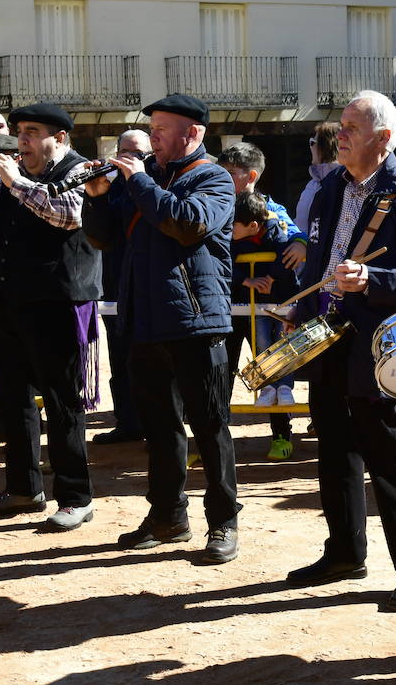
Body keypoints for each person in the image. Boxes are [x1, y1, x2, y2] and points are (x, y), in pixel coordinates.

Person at [284, 90, 396, 612]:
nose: (340, 134)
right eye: (339, 125)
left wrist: (372, 279)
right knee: (332, 448)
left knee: (385, 454)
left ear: (382, 139)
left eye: (351, 127)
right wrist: (300, 308)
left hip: (377, 347)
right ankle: (344, 551)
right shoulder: (332, 184)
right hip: (325, 337)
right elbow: (319, 255)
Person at [82, 94, 241, 564]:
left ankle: (223, 522)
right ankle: (169, 515)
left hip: (196, 322)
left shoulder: (213, 178)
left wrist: (140, 181)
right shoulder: (146, 178)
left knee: (210, 426)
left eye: (161, 130)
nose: (151, 138)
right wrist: (97, 199)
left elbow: (186, 224)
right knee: (160, 427)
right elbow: (103, 238)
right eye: (150, 129)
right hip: (145, 320)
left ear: (191, 133)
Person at [0, 105, 102, 530]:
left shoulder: (80, 170)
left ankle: (76, 496)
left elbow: (69, 215)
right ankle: (23, 488)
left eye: (33, 132)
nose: (23, 141)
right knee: (10, 401)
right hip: (8, 303)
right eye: (20, 132)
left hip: (57, 303)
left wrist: (14, 182)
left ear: (61, 138)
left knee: (62, 403)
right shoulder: (9, 176)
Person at [229, 189, 299, 460]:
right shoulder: (230, 226)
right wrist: (245, 281)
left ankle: (281, 433)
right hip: (238, 306)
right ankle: (210, 441)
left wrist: (270, 276)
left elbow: (290, 252)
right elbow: (221, 259)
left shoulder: (275, 225)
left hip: (276, 305)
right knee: (225, 371)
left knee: (277, 356)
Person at [92, 129, 150, 445]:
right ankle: (127, 422)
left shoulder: (154, 185)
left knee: (152, 360)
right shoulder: (110, 186)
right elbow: (100, 233)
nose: (131, 158)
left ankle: (155, 425)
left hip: (148, 288)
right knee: (119, 356)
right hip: (114, 287)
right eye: (125, 152)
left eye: (139, 153)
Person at [294, 121, 341, 234]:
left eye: (313, 142)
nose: (311, 147)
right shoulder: (314, 182)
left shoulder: (343, 182)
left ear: (324, 146)